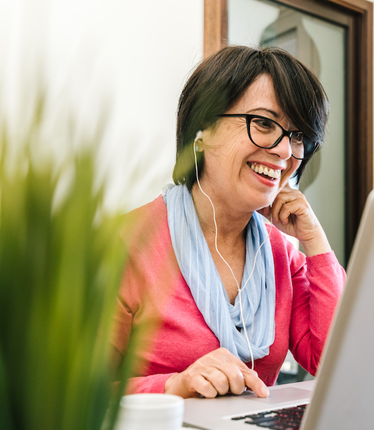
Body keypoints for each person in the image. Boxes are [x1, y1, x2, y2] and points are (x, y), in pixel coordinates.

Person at [112, 46, 346, 399]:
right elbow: (73, 398)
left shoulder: (282, 254)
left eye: (298, 135)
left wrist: (316, 243)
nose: (285, 152)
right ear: (202, 129)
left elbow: (334, 362)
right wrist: (175, 385)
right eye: (264, 123)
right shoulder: (124, 244)